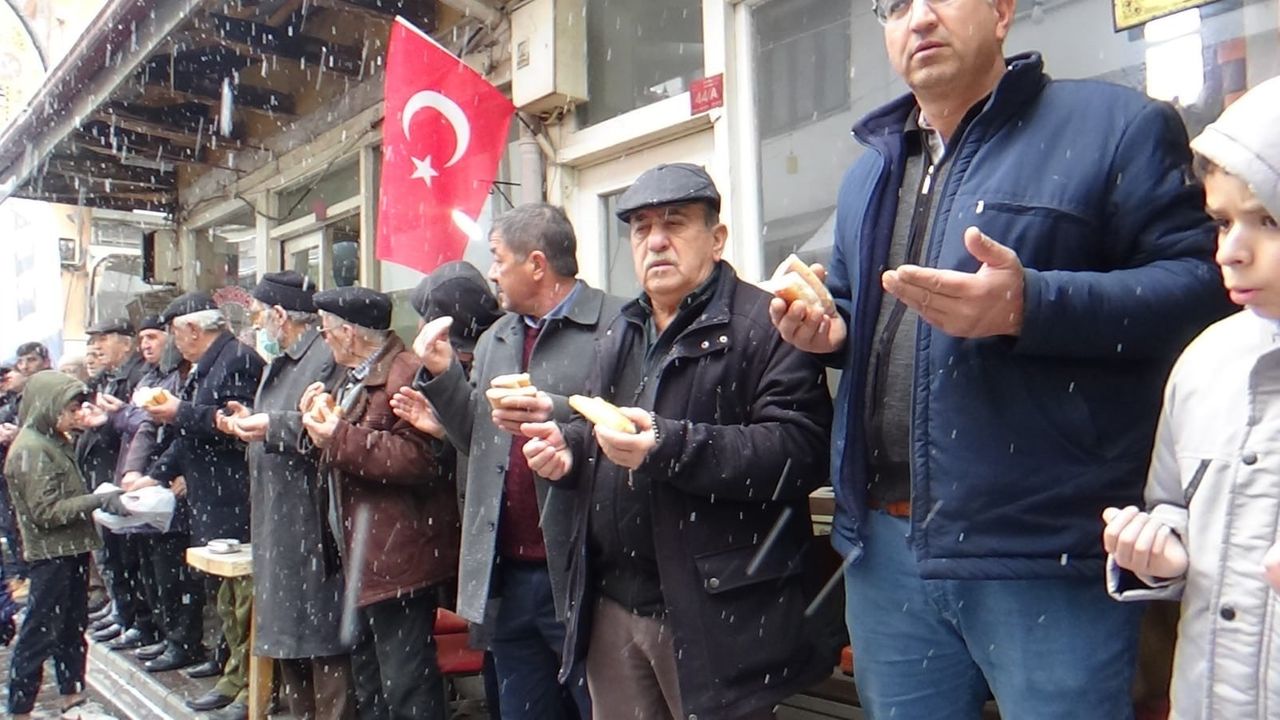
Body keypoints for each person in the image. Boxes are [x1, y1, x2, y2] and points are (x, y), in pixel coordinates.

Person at [768, 1, 1235, 717]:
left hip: (1043, 551)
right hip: (885, 549)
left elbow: (1204, 289)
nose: (919, 18)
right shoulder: (870, 172)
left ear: (1001, 12)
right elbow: (864, 314)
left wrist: (1032, 306)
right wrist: (828, 331)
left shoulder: (1114, 127)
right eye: (896, 5)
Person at [520, 165, 835, 720]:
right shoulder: (623, 328)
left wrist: (669, 446)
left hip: (715, 613)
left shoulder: (766, 325)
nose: (656, 240)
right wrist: (568, 451)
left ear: (717, 238)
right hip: (612, 605)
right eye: (641, 228)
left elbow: (800, 451)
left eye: (675, 222)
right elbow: (599, 428)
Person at [1103, 76, 1280, 719]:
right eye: (1223, 221)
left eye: (1268, 220)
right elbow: (1173, 504)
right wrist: (1159, 553)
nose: (1230, 251)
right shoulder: (1204, 363)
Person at [413, 203, 625, 720]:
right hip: (507, 575)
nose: (490, 273)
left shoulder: (617, 325)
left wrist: (553, 410)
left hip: (585, 575)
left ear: (536, 264)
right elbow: (478, 441)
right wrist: (443, 375)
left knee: (602, 708)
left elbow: (634, 429)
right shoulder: (497, 338)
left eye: (497, 258)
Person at [302, 286, 460, 720]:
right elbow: (345, 443)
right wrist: (313, 423)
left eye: (326, 330)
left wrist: (338, 436)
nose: (323, 338)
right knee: (370, 683)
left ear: (349, 333)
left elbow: (421, 459)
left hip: (398, 562)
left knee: (406, 685)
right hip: (363, 559)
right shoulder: (351, 377)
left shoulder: (404, 373)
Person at [220, 272, 355, 720]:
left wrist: (271, 425)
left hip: (310, 522)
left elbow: (331, 425)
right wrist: (249, 420)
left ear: (281, 314)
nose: (258, 325)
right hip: (278, 521)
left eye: (261, 315)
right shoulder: (281, 361)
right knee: (290, 646)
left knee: (323, 645)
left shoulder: (324, 357)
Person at [392, 260, 504, 717]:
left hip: (506, 555)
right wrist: (441, 431)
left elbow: (496, 458)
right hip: (484, 561)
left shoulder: (496, 362)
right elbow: (472, 451)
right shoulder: (457, 370)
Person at [144, 293, 264, 718]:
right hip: (211, 496)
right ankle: (230, 669)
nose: (175, 344)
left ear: (193, 329)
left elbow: (233, 428)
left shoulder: (238, 360)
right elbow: (189, 434)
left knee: (242, 596)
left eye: (175, 334)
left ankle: (248, 681)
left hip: (234, 495)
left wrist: (181, 412)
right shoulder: (208, 364)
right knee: (224, 594)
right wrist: (154, 474)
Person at [3, 370, 130, 717]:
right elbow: (46, 512)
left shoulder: (53, 439)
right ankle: (20, 707)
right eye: (70, 409)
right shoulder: (32, 448)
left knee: (72, 627)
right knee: (41, 631)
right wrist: (97, 500)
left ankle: (72, 694)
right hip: (51, 553)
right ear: (48, 406)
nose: (76, 415)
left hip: (69, 548)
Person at [112, 314, 205, 674]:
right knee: (152, 567)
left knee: (175, 572)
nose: (146, 345)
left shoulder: (186, 375)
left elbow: (183, 430)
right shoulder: (155, 377)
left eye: (154, 336)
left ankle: (183, 641)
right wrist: (135, 472)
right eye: (143, 339)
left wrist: (174, 473)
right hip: (156, 485)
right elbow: (145, 427)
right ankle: (167, 634)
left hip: (180, 488)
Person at [77, 318, 154, 652]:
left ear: (125, 343)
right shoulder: (109, 379)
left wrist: (110, 420)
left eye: (103, 339)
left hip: (122, 474)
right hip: (107, 474)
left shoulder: (136, 376)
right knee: (112, 553)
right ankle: (123, 610)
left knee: (131, 556)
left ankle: (139, 619)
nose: (96, 347)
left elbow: (139, 429)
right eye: (93, 341)